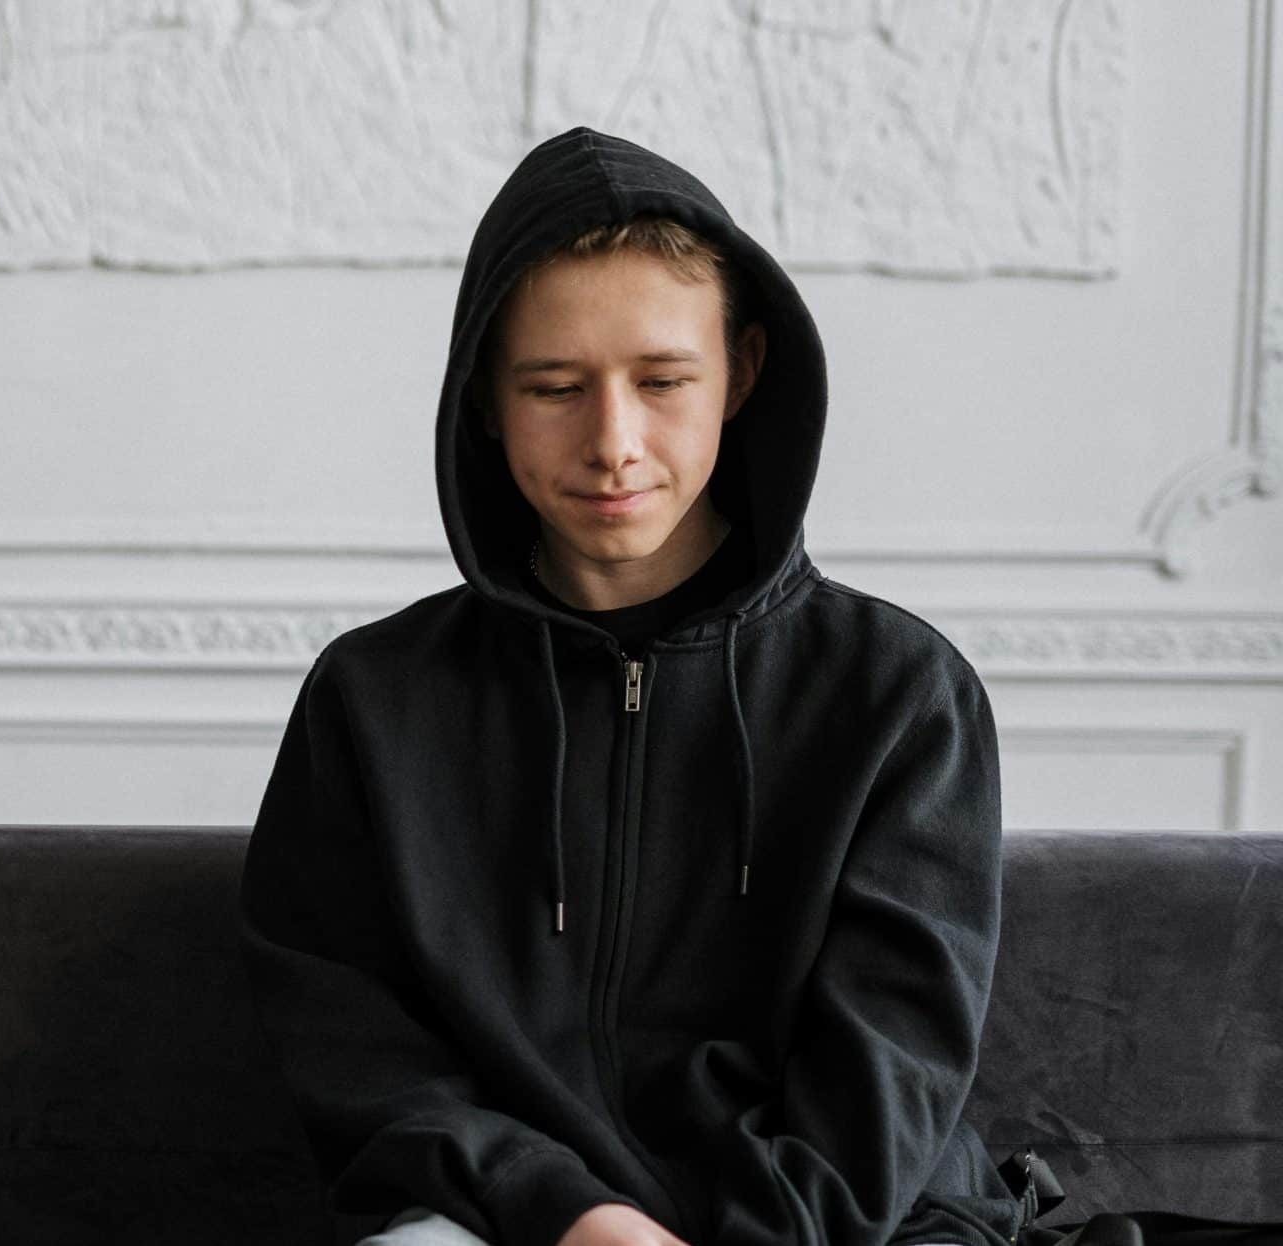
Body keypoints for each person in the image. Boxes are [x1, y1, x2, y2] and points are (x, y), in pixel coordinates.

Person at [241, 128, 1020, 1246]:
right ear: (485, 400)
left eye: (662, 381)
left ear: (741, 372)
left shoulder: (898, 695)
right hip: (512, 1219)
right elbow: (348, 1038)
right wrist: (565, 1211)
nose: (613, 442)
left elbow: (888, 1063)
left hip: (855, 1223)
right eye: (554, 386)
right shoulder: (373, 700)